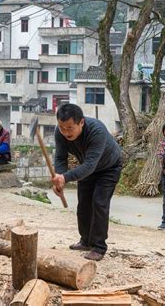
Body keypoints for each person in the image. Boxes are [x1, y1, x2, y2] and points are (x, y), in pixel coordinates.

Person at [51, 104, 122, 261]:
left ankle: (99, 247)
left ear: (81, 122)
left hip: (109, 168)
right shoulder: (60, 132)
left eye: (70, 128)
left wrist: (66, 178)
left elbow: (91, 165)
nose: (65, 132)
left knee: (99, 203)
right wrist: (59, 178)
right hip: (86, 168)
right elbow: (60, 157)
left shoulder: (97, 131)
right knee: (83, 204)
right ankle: (86, 240)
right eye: (62, 127)